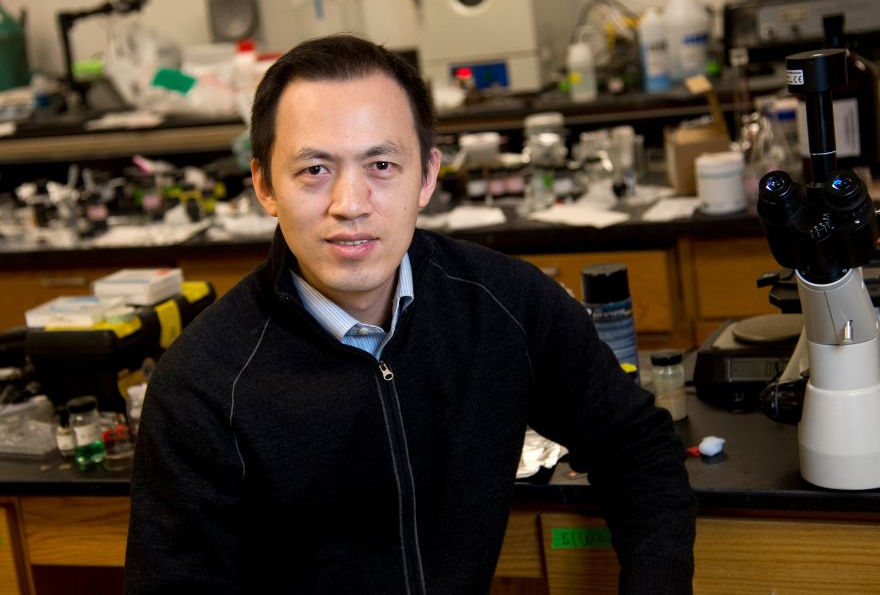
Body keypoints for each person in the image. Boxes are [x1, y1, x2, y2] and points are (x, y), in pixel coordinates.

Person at [125, 34, 696, 594]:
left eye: (381, 164)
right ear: (264, 185)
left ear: (426, 176)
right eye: (314, 170)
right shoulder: (202, 385)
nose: (350, 205)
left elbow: (637, 446)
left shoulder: (506, 304)